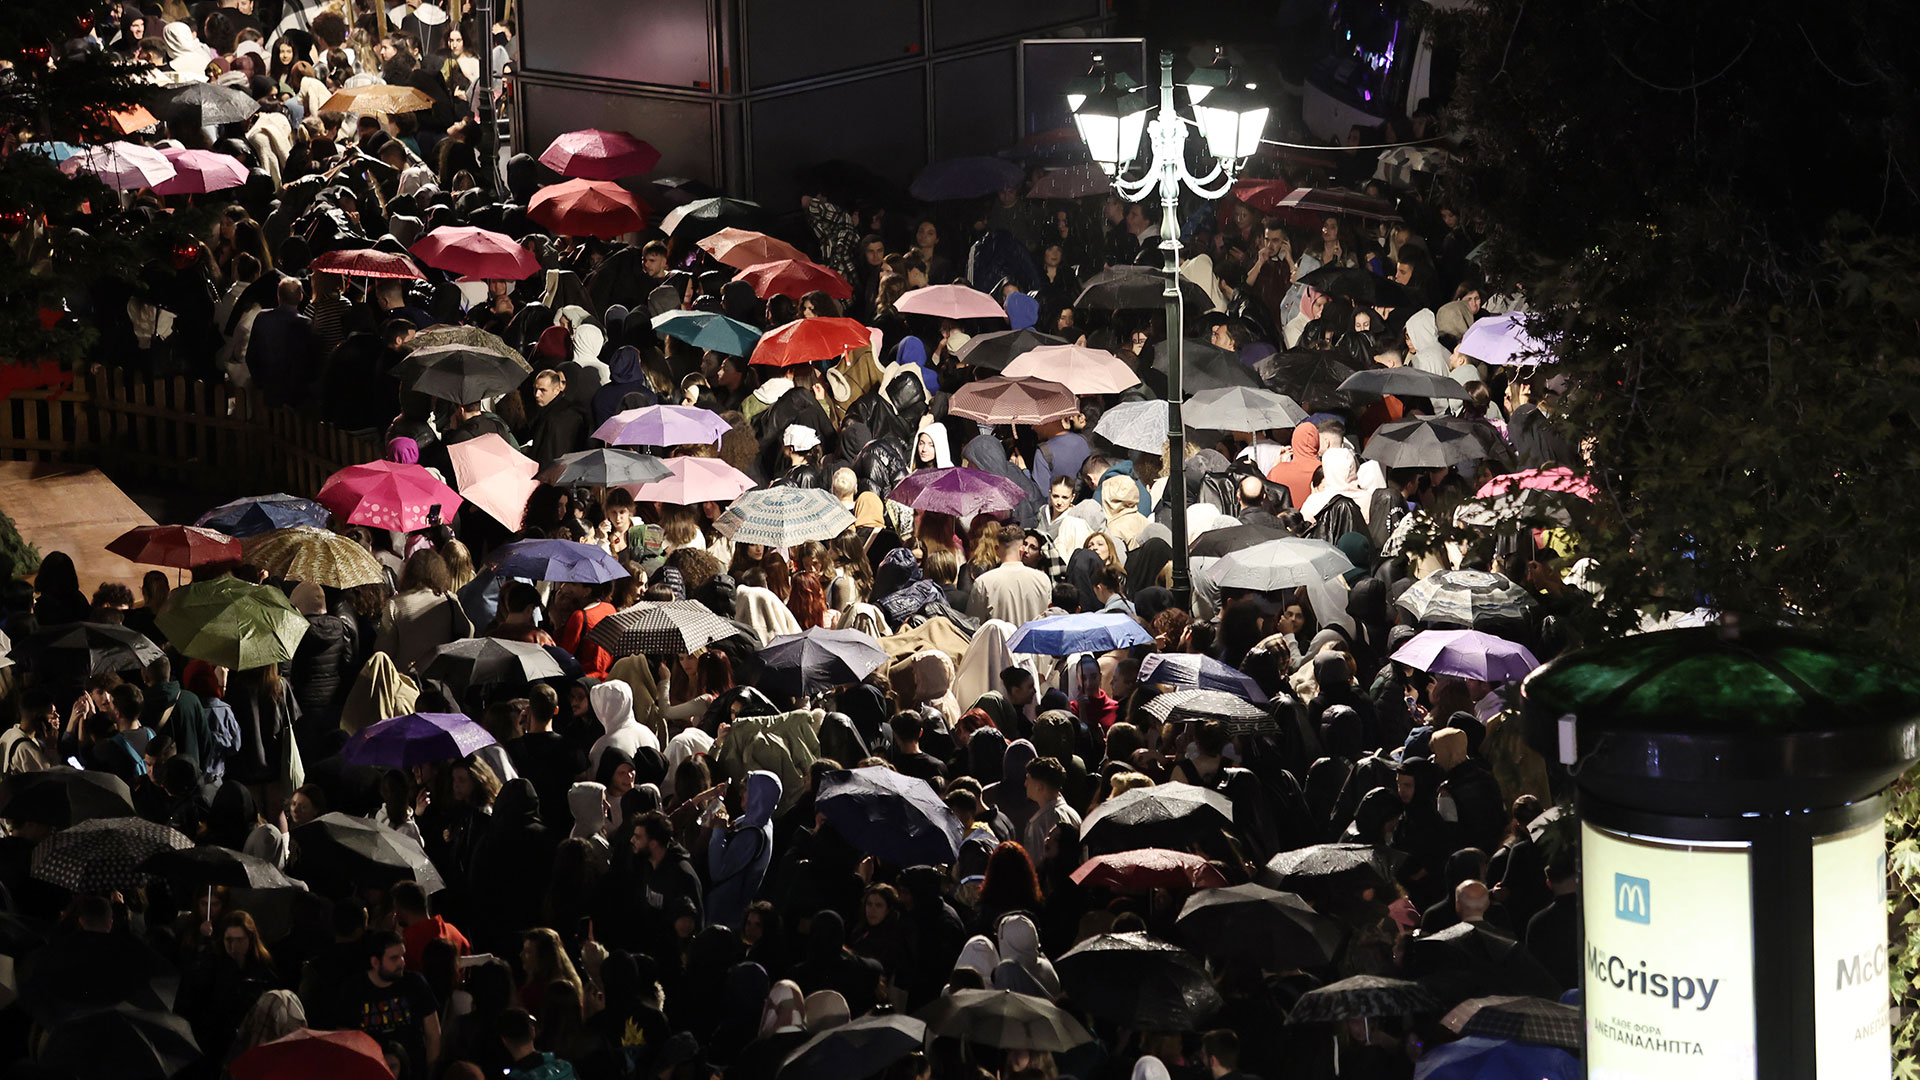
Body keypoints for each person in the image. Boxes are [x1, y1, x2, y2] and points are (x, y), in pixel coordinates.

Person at [339, 932, 440, 1079]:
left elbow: (434, 1034)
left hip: (413, 1073)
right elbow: (345, 1039)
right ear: (375, 962)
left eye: (402, 956)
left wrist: (432, 1073)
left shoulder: (415, 983)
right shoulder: (353, 990)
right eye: (394, 958)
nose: (402, 963)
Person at [966, 527, 1050, 628]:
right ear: (1022, 549)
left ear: (997, 550)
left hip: (999, 643)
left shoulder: (984, 582)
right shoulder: (1043, 580)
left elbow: (973, 624)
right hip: (1034, 642)